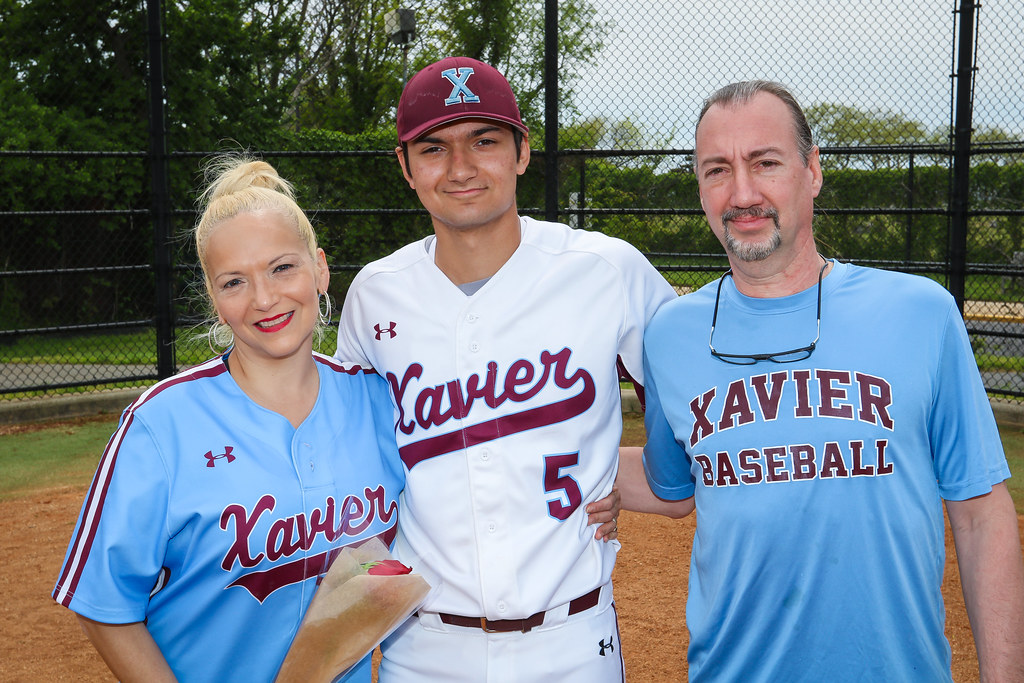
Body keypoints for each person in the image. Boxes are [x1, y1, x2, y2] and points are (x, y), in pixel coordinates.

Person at [641, 80, 1024, 681]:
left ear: (813, 171)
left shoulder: (919, 311)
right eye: (717, 170)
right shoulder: (670, 334)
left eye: (765, 163)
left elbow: (979, 511)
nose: (742, 193)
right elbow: (671, 485)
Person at [334, 56, 685, 681]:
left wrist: (658, 480)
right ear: (405, 166)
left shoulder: (605, 270)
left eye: (485, 141)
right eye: (434, 148)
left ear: (523, 152)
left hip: (573, 642)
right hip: (424, 648)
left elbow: (696, 388)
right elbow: (354, 463)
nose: (462, 167)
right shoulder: (375, 293)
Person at [52, 157, 405, 682]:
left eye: (282, 267)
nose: (264, 298)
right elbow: (103, 602)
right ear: (215, 300)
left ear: (321, 269)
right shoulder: (161, 424)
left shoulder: (378, 401)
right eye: (234, 281)